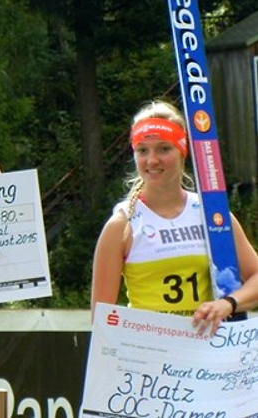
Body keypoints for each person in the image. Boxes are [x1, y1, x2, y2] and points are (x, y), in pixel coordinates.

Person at [91, 100, 258, 336]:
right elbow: (101, 319)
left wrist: (227, 304)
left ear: (182, 151)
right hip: (150, 352)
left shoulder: (211, 215)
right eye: (142, 150)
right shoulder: (122, 224)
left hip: (207, 350)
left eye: (163, 149)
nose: (152, 160)